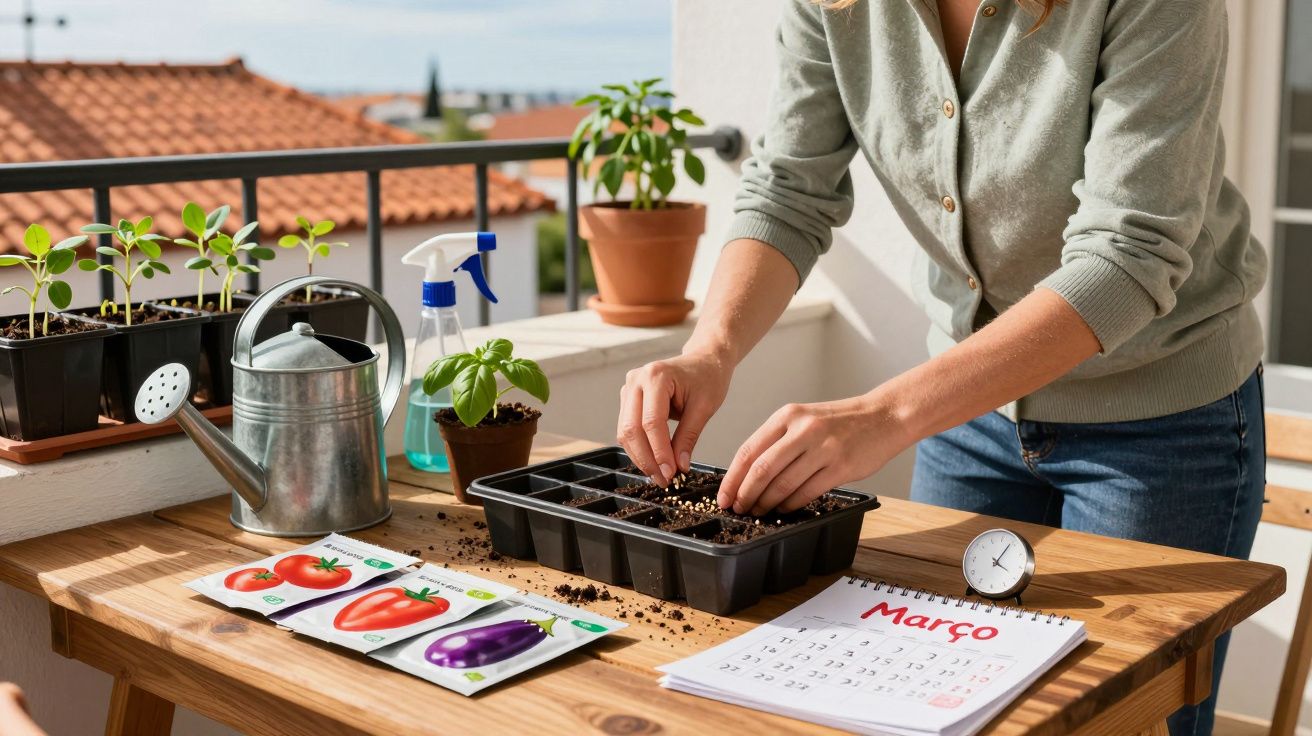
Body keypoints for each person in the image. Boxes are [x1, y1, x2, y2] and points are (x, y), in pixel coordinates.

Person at [616, 1, 1266, 733]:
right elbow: (789, 190)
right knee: (925, 703)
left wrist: (885, 416)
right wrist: (711, 351)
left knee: (1122, 717)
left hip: (1157, 424)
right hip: (970, 416)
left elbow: (1128, 255)